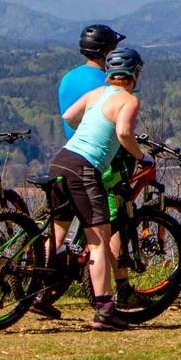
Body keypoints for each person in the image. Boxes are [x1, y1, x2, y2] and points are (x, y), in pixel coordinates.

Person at [53, 46, 146, 331]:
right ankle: (105, 310)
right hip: (85, 167)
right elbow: (123, 133)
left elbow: (69, 115)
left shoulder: (97, 94)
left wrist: (90, 129)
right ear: (135, 74)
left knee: (57, 232)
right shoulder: (129, 99)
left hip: (61, 160)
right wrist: (140, 156)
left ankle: (42, 293)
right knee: (99, 240)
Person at [59, 24, 125, 136]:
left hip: (73, 147)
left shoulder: (67, 77)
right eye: (114, 49)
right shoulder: (108, 84)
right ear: (106, 53)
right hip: (102, 150)